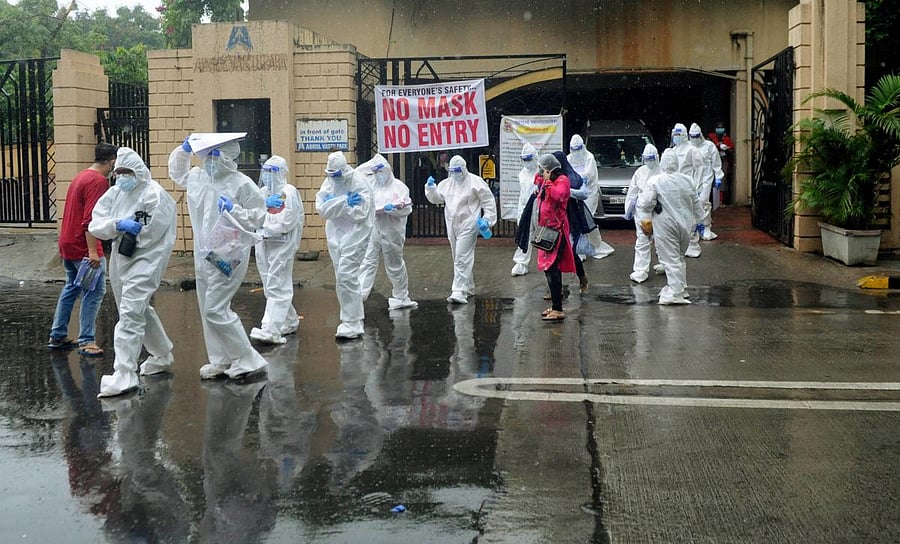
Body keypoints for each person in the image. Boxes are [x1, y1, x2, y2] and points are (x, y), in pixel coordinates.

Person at [169, 136, 269, 379]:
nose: (210, 162)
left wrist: (235, 210)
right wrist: (183, 150)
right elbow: (177, 172)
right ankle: (221, 359)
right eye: (208, 156)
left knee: (215, 308)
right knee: (207, 308)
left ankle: (247, 358)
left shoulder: (241, 183)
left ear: (227, 158)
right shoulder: (198, 178)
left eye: (215, 156)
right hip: (203, 254)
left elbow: (259, 217)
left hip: (229, 253)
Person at [88, 147, 177, 397]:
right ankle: (162, 355)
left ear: (138, 170)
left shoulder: (155, 194)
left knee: (130, 313)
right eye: (119, 172)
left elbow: (156, 232)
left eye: (127, 172)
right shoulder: (115, 193)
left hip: (148, 258)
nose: (122, 177)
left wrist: (128, 232)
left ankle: (125, 373)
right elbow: (96, 224)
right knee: (137, 309)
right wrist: (117, 225)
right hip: (121, 257)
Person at [48, 142, 117, 357]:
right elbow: (90, 220)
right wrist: (93, 252)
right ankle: (87, 340)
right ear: (112, 162)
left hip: (68, 242)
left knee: (72, 287)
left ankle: (58, 334)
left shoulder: (81, 176)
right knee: (94, 291)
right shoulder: (98, 181)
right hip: (83, 246)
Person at [315, 150, 374, 339]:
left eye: (337, 174)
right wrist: (344, 202)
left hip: (356, 234)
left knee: (347, 275)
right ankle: (350, 318)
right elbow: (322, 210)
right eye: (331, 175)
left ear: (344, 170)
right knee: (341, 277)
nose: (334, 178)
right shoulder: (329, 182)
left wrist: (335, 204)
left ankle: (352, 322)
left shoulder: (359, 182)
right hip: (335, 235)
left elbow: (361, 214)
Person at [424, 155, 497, 305]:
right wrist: (431, 189)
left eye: (457, 170)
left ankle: (458, 290)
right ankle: (469, 287)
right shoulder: (447, 183)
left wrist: (487, 220)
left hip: (469, 223)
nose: (455, 173)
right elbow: (437, 198)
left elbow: (488, 202)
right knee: (457, 256)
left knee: (462, 257)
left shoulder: (476, 182)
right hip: (452, 223)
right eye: (452, 170)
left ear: (463, 169)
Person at [637, 150, 705, 305]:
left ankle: (675, 292)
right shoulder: (687, 180)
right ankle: (681, 287)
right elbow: (696, 203)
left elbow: (646, 203)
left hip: (665, 226)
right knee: (679, 256)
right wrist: (701, 220)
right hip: (685, 225)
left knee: (670, 259)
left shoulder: (656, 181)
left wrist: (644, 216)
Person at [250, 155, 304, 345]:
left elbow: (288, 221)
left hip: (281, 244)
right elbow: (254, 214)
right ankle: (289, 321)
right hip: (263, 243)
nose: (267, 176)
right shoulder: (263, 192)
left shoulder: (288, 192)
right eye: (265, 171)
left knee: (277, 284)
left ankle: (270, 328)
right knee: (269, 283)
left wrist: (267, 228)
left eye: (271, 172)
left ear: (280, 173)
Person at [357, 153, 417, 310]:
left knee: (394, 264)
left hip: (392, 231)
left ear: (388, 170)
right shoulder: (371, 184)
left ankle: (401, 296)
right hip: (374, 229)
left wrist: (393, 210)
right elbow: (357, 173)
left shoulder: (399, 187)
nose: (379, 175)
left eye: (381, 171)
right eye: (376, 172)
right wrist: (373, 164)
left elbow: (407, 209)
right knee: (368, 261)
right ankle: (360, 296)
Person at [535, 153, 576, 321]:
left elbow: (560, 196)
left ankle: (558, 309)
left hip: (556, 231)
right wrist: (542, 179)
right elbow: (536, 181)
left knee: (553, 268)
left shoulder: (562, 181)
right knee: (548, 268)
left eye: (543, 170)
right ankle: (555, 305)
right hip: (547, 229)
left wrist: (548, 182)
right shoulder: (548, 180)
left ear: (550, 170)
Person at [568, 134, 614, 260]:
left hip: (588, 194)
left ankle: (594, 246)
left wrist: (575, 179)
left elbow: (588, 175)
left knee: (587, 221)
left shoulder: (589, 157)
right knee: (577, 221)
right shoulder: (569, 158)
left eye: (578, 149)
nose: (576, 152)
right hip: (574, 194)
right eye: (573, 149)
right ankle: (580, 249)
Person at [553, 150, 591, 294]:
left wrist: (567, 192)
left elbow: (584, 194)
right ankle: (556, 288)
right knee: (553, 253)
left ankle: (581, 276)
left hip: (570, 217)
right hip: (554, 219)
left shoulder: (574, 178)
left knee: (568, 251)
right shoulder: (551, 177)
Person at [625, 144, 661, 283]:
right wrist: (628, 209)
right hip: (642, 213)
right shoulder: (640, 172)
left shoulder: (662, 172)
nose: (649, 161)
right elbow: (632, 192)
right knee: (643, 240)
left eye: (651, 159)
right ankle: (641, 270)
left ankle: (665, 264)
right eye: (647, 159)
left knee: (663, 239)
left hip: (659, 211)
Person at [669, 122, 704, 258]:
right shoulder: (673, 151)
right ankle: (680, 246)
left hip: (688, 187)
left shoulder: (691, 150)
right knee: (676, 218)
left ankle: (693, 246)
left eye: (678, 135)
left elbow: (699, 168)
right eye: (674, 135)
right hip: (674, 188)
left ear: (684, 135)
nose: (675, 137)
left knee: (690, 218)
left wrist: (697, 187)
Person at [689, 122, 724, 240]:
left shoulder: (709, 146)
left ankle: (705, 226)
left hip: (706, 178)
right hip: (692, 179)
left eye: (696, 136)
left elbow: (716, 162)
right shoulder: (688, 147)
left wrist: (718, 176)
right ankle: (694, 226)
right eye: (692, 137)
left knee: (704, 202)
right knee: (692, 203)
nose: (694, 139)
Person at [511, 143, 539, 277]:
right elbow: (522, 195)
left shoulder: (541, 172)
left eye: (529, 159)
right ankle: (521, 263)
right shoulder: (522, 173)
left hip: (539, 209)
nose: (527, 163)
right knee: (525, 236)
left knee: (546, 236)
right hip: (525, 208)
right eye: (525, 160)